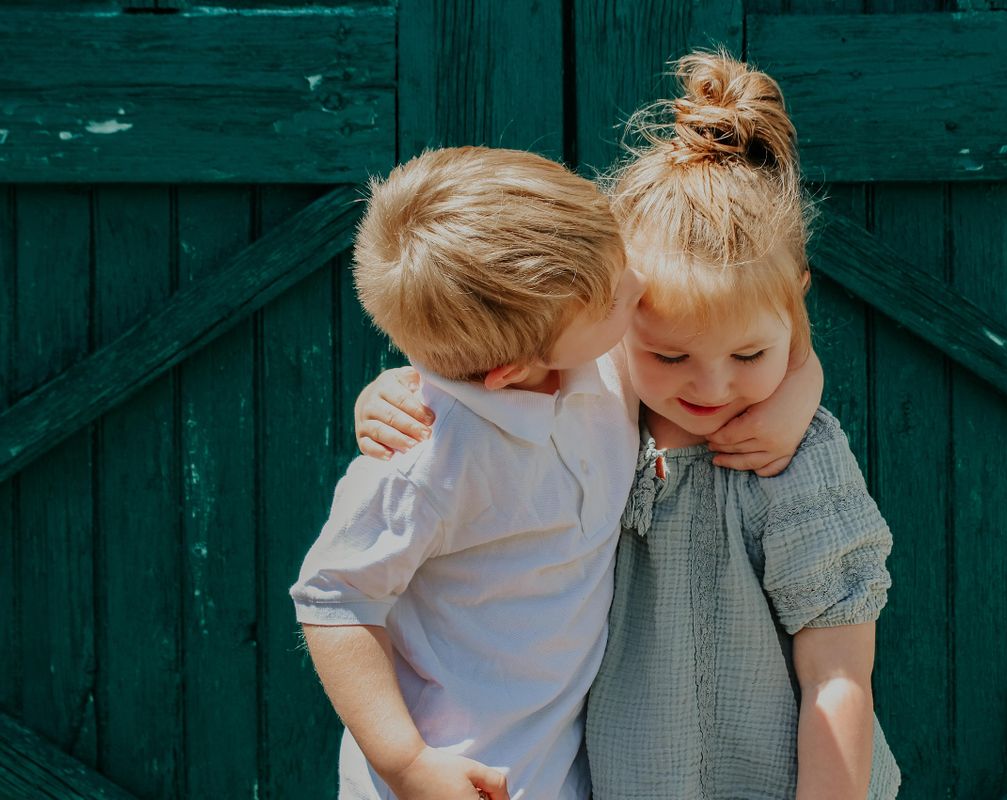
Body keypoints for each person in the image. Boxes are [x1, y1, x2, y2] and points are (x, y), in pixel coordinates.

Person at [353, 52, 901, 799]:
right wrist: (398, 389)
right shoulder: (593, 404)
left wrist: (803, 381)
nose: (711, 387)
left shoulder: (789, 462)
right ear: (613, 314)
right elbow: (493, 362)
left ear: (799, 300)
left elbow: (837, 675)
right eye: (669, 355)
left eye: (748, 354)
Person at [291, 145, 822, 800]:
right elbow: (335, 597)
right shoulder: (425, 455)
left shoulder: (598, 372)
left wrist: (800, 386)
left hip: (565, 772)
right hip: (454, 776)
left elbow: (753, 323)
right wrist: (406, 764)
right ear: (511, 371)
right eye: (611, 298)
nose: (636, 285)